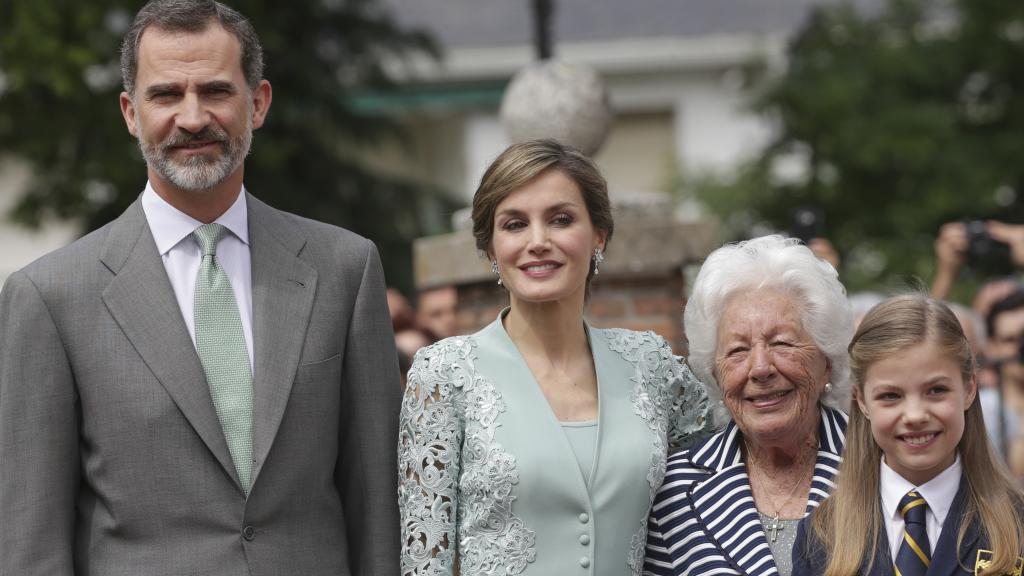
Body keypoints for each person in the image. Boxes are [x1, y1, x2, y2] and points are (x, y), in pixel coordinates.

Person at [0, 1, 401, 573]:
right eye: (165, 95)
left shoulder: (346, 270)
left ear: (257, 103)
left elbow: (376, 508)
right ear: (130, 112)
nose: (192, 118)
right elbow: (30, 541)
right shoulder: (51, 296)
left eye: (215, 91)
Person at [398, 139, 710, 576]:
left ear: (598, 234)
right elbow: (423, 563)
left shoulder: (652, 364)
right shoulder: (444, 374)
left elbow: (716, 491)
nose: (538, 241)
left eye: (561, 219)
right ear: (490, 247)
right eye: (515, 224)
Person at [644, 235, 855, 576]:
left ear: (827, 361)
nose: (760, 368)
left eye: (782, 343)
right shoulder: (674, 490)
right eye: (738, 350)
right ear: (715, 372)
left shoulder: (880, 461)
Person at [792, 295, 1024, 576]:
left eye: (936, 390)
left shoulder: (1017, 524)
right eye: (891, 396)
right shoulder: (821, 535)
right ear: (862, 401)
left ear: (969, 388)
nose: (915, 415)